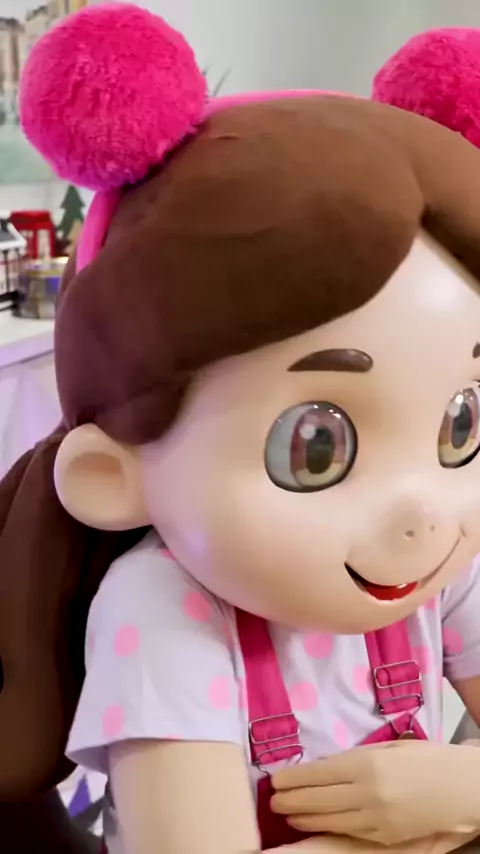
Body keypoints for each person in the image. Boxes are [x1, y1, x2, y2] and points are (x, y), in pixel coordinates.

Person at [5, 4, 480, 852]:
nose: (423, 508)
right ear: (113, 476)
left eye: (460, 426)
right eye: (316, 448)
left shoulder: (446, 565)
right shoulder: (163, 609)